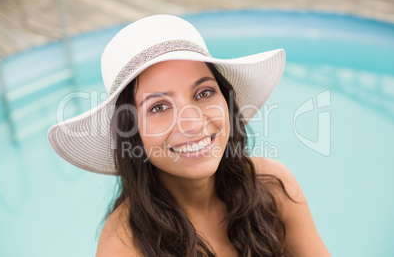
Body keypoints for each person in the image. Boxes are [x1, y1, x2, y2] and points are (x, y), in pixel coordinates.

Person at [48, 15, 330, 256]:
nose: (193, 123)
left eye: (204, 92)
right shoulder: (124, 245)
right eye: (158, 107)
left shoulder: (272, 186)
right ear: (130, 131)